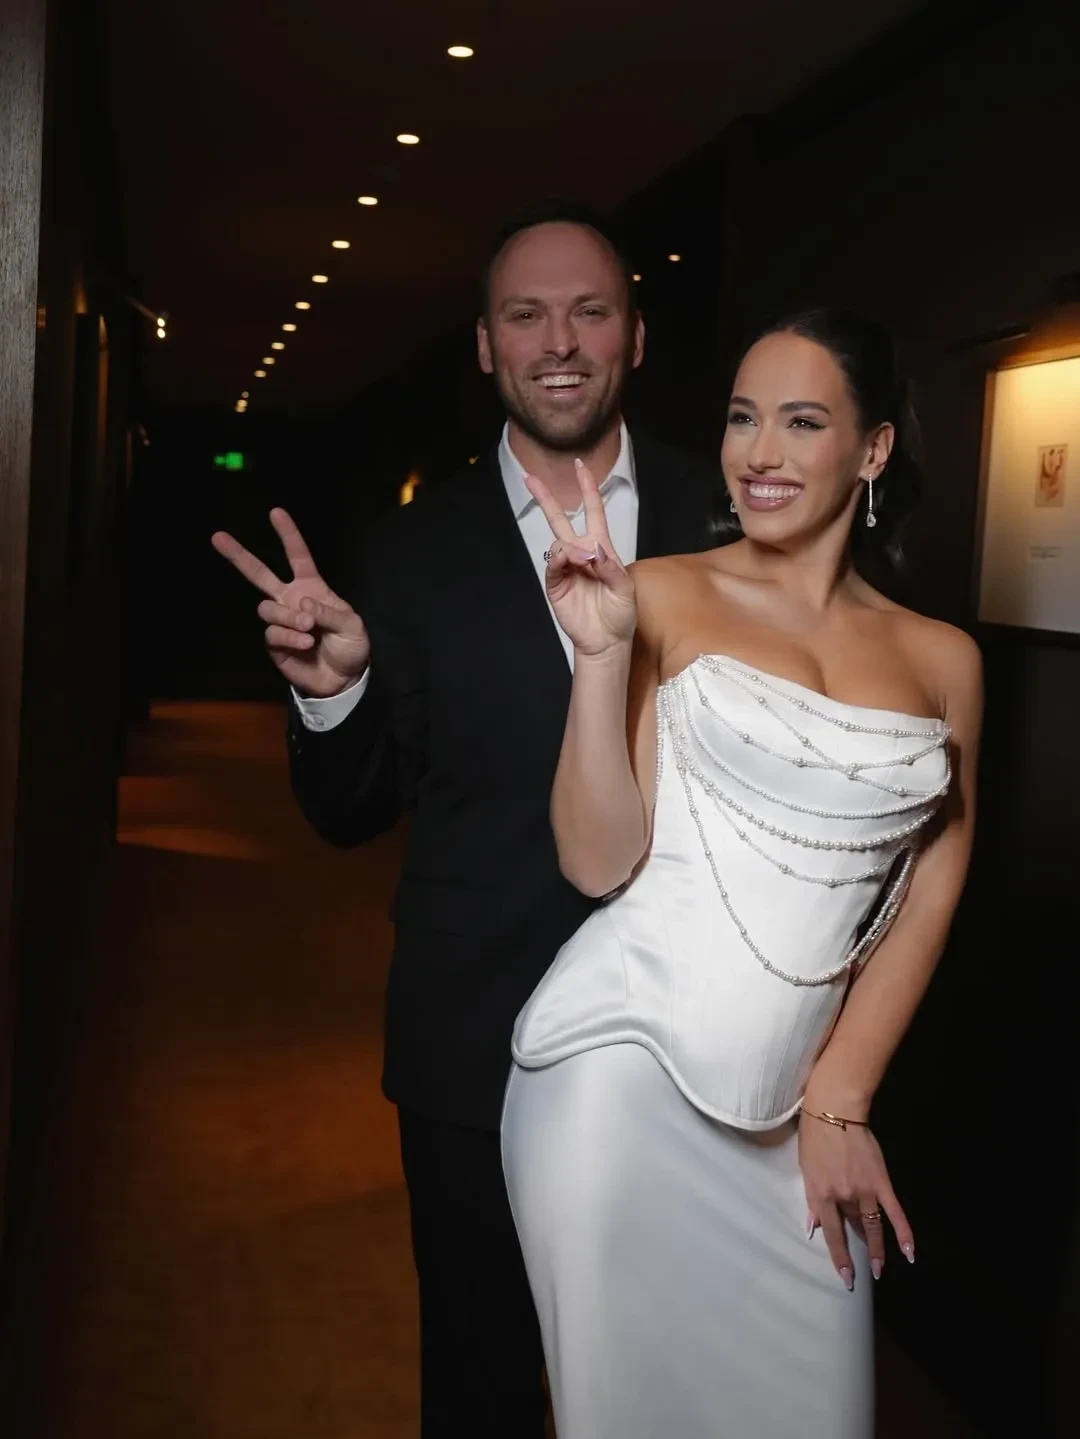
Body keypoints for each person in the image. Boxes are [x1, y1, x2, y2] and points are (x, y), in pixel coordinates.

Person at [210, 200, 719, 1437]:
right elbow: (351, 808)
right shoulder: (411, 548)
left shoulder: (728, 517)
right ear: (486, 345)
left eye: (590, 310)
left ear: (636, 335)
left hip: (697, 1039)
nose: (561, 341)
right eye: (525, 315)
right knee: (484, 1377)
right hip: (475, 1040)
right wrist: (332, 694)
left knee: (677, 1379)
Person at [501, 306, 983, 1438]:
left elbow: (934, 886)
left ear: (873, 449)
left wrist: (843, 1096)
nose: (759, 452)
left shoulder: (944, 658)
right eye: (741, 418)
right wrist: (600, 657)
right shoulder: (662, 593)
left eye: (802, 421)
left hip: (795, 1109)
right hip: (615, 1084)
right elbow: (595, 860)